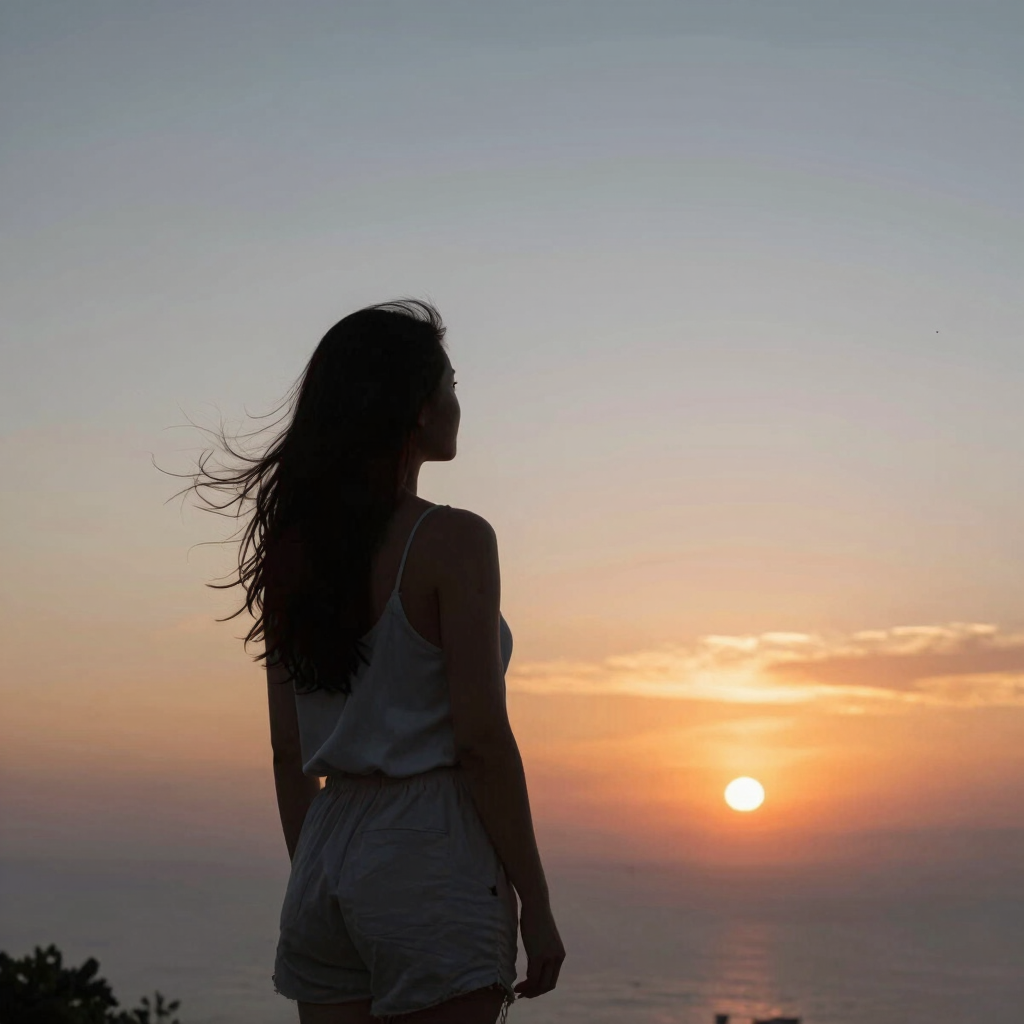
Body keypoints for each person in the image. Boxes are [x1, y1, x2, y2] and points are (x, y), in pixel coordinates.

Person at [193, 300, 564, 1024]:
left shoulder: (292, 553)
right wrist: (538, 907)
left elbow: (286, 749)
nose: (459, 401)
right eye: (450, 384)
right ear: (417, 409)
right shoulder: (453, 540)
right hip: (431, 847)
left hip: (325, 850)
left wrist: (328, 873)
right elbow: (482, 742)